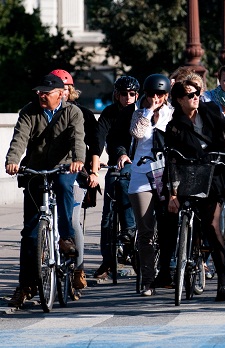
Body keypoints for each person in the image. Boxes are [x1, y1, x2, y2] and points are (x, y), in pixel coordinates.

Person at [5, 73, 85, 307]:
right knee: (30, 233)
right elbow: (19, 138)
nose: (40, 95)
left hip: (64, 167)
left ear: (61, 94)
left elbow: (77, 139)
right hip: (35, 171)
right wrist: (13, 160)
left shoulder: (73, 112)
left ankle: (65, 237)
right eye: (39, 92)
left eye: (46, 93)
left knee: (62, 185)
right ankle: (26, 285)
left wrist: (78, 160)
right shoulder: (29, 111)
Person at [164, 80, 225, 301]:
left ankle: (222, 283)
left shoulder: (211, 111)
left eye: (197, 93)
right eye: (189, 95)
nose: (195, 97)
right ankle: (178, 265)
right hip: (188, 173)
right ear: (179, 100)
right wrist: (172, 193)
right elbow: (171, 160)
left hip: (213, 172)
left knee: (212, 225)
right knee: (178, 217)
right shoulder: (174, 125)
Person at [125, 74, 175, 296]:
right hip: (141, 174)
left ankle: (167, 270)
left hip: (164, 174)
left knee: (166, 226)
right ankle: (147, 280)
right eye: (153, 94)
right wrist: (147, 111)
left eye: (161, 95)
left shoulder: (172, 114)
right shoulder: (137, 113)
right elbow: (137, 133)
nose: (157, 98)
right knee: (145, 230)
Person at [50, 69, 99, 292]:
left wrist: (90, 170)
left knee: (73, 218)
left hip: (76, 171)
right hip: (50, 169)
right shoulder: (45, 112)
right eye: (60, 89)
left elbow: (90, 144)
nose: (64, 93)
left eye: (67, 89)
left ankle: (78, 268)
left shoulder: (83, 114)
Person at [93, 76, 140, 280]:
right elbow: (100, 137)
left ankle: (132, 237)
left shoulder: (141, 113)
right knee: (108, 214)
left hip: (139, 166)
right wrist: (95, 159)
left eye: (132, 94)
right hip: (116, 163)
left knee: (131, 197)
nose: (128, 98)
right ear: (116, 95)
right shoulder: (110, 113)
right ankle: (108, 261)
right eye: (123, 94)